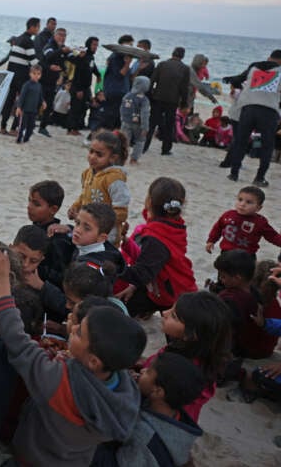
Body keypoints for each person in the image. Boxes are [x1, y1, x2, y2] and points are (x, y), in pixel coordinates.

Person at [0, 248, 146, 467]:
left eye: (79, 332)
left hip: (31, 458)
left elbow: (17, 342)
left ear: (93, 361)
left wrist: (2, 283)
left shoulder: (58, 382)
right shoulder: (126, 390)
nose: (71, 329)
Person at [95, 352, 205, 467]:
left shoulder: (144, 438)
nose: (142, 370)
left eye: (148, 372)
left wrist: (93, 445)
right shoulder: (173, 412)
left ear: (157, 392)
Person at [142, 292, 232, 422]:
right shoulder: (191, 351)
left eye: (174, 316)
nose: (164, 313)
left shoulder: (179, 369)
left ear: (191, 335)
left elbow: (154, 394)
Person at [116, 177, 197, 318]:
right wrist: (133, 287)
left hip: (173, 297)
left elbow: (142, 273)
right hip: (164, 288)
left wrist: (112, 266)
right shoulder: (174, 225)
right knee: (122, 308)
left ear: (149, 202)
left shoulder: (156, 238)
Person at [226, 50, 281, 187]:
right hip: (269, 111)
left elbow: (238, 80)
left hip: (248, 108)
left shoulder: (254, 66)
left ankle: (234, 173)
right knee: (267, 145)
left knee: (241, 141)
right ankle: (259, 177)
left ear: (269, 57)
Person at [68, 130, 130, 245]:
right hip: (86, 231)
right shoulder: (88, 173)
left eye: (99, 154)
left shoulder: (115, 179)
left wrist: (99, 222)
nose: (92, 157)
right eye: (91, 151)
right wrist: (76, 207)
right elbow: (84, 195)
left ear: (113, 158)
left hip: (106, 238)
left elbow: (121, 211)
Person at [206, 186, 281, 256]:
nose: (242, 204)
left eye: (248, 202)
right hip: (226, 252)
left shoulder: (260, 222)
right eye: (240, 200)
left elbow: (272, 236)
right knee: (222, 269)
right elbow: (217, 228)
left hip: (247, 255)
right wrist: (211, 240)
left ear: (258, 208)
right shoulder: (228, 215)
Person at [0, 17, 41, 135]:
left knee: (9, 101)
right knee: (21, 102)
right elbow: (33, 62)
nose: (38, 29)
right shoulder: (28, 41)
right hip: (22, 76)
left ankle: (3, 127)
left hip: (11, 74)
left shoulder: (17, 39)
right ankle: (13, 129)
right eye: (38, 27)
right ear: (32, 27)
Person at [148, 47, 190, 156]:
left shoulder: (162, 64)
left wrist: (150, 94)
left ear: (172, 54)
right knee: (169, 125)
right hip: (172, 100)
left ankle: (145, 145)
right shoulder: (185, 69)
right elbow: (184, 88)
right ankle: (165, 149)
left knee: (152, 123)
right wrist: (184, 103)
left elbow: (152, 80)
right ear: (182, 56)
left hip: (158, 97)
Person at [38, 27, 71, 136]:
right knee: (36, 103)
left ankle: (42, 127)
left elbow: (65, 61)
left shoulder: (61, 48)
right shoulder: (49, 46)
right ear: (54, 35)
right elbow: (49, 56)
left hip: (52, 82)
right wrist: (61, 51)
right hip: (41, 79)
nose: (62, 37)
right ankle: (24, 123)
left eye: (64, 35)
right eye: (60, 34)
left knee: (49, 105)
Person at [102, 35, 135, 130]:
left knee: (118, 118)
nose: (131, 47)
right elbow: (119, 75)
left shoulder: (125, 58)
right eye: (129, 45)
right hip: (114, 91)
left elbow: (129, 77)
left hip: (122, 91)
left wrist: (139, 67)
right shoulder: (115, 57)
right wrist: (127, 63)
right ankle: (96, 137)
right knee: (110, 117)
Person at [119, 75, 151, 164]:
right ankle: (134, 159)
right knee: (140, 141)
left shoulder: (127, 95)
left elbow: (122, 108)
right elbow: (145, 114)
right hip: (138, 124)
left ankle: (122, 157)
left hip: (126, 121)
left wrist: (122, 118)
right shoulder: (144, 100)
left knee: (125, 141)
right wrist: (145, 127)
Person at [15, 65, 45, 143]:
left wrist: (43, 102)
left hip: (34, 110)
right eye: (34, 73)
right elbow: (22, 96)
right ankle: (19, 139)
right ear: (30, 74)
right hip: (24, 110)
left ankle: (26, 139)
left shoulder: (39, 85)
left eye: (38, 74)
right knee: (22, 126)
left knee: (31, 127)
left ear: (40, 75)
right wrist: (19, 107)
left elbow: (40, 96)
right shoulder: (27, 85)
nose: (36, 75)